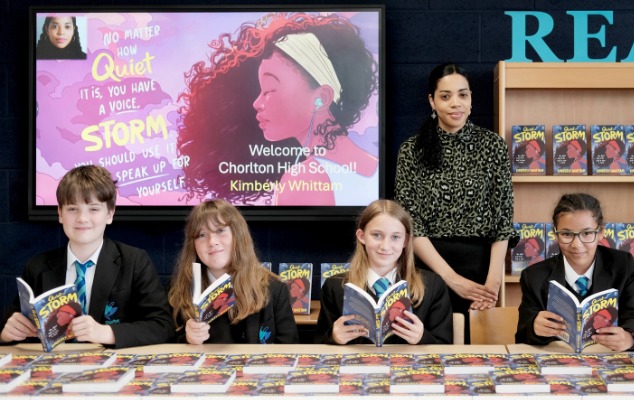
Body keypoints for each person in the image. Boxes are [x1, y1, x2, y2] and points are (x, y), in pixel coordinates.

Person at [177, 12, 378, 206]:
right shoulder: (377, 169)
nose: (257, 103)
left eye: (270, 89)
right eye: (260, 90)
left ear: (321, 98)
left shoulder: (302, 180)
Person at [394, 63, 517, 342]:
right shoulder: (411, 150)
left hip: (481, 268)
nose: (455, 103)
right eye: (445, 96)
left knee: (477, 350)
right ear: (432, 101)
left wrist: (492, 283)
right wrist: (450, 278)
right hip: (428, 268)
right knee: (427, 346)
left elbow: (503, 219)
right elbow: (410, 223)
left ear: (471, 99)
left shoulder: (493, 146)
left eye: (463, 95)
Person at [0, 165, 174, 348]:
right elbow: (12, 324)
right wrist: (6, 334)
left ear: (110, 214)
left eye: (94, 209)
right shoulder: (37, 267)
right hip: (55, 364)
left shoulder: (135, 262)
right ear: (60, 213)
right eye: (72, 209)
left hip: (111, 364)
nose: (82, 218)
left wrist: (106, 333)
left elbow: (163, 326)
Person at [515, 193, 634, 351]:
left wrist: (629, 337)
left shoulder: (622, 265)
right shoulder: (534, 276)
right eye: (566, 234)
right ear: (555, 234)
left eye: (586, 233)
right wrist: (534, 327)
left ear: (600, 233)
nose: (577, 245)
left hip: (607, 355)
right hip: (558, 356)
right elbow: (522, 333)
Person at [315, 199, 453, 345]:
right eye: (376, 235)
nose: (385, 246)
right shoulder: (335, 287)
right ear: (362, 236)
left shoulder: (432, 286)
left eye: (395, 237)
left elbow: (445, 346)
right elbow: (318, 344)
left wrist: (422, 338)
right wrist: (334, 337)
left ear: (405, 241)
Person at [167, 199, 299, 344]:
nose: (212, 242)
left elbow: (289, 349)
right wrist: (187, 339)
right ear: (193, 245)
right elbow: (166, 346)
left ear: (238, 236)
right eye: (202, 235)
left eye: (220, 230)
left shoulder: (274, 289)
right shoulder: (179, 291)